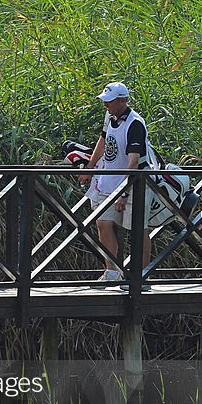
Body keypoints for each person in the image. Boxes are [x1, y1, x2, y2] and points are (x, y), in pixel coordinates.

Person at [78, 81, 152, 287]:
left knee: (138, 228)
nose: (105, 105)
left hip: (133, 183)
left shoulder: (135, 124)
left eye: (110, 101)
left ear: (123, 101)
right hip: (108, 182)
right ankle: (112, 272)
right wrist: (90, 169)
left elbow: (134, 161)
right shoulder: (110, 117)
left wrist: (124, 193)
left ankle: (142, 275)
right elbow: (103, 140)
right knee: (102, 223)